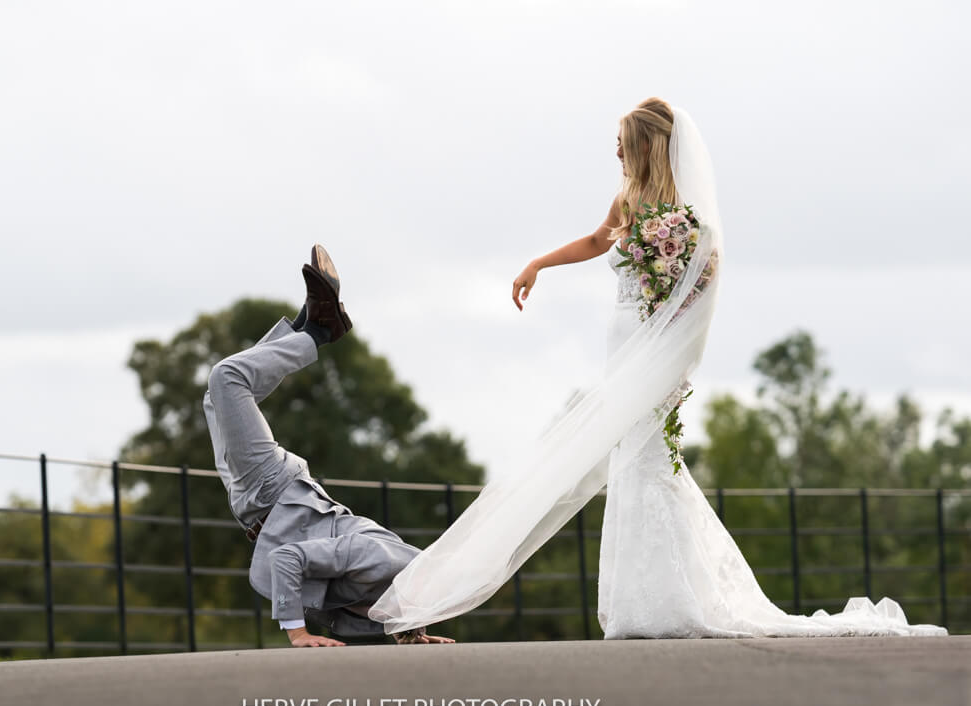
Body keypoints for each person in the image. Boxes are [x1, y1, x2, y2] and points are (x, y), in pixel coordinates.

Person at [369, 98, 947, 639]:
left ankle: (671, 600)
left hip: (657, 351)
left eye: (622, 142)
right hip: (621, 347)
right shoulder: (628, 200)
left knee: (650, 461)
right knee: (634, 463)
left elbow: (706, 277)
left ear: (645, 144)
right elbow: (599, 240)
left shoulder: (686, 218)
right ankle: (647, 599)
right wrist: (538, 264)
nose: (615, 152)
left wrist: (673, 340)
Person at [203, 245, 454, 647]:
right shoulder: (384, 563)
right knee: (227, 378)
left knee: (216, 399)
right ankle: (320, 331)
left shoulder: (391, 593)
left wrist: (413, 634)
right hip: (272, 492)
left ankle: (309, 321)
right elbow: (288, 559)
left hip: (257, 507)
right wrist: (297, 634)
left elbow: (356, 613)